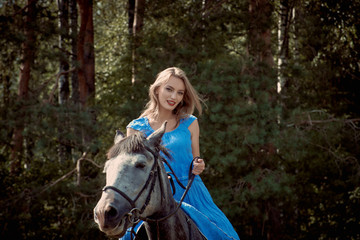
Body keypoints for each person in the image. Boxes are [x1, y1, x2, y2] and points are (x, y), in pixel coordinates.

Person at [122, 67, 240, 240]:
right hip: (153, 198)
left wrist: (199, 165)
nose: (173, 97)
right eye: (169, 89)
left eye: (179, 92)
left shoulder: (190, 123)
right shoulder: (135, 128)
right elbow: (131, 172)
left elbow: (196, 159)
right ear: (157, 89)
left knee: (225, 235)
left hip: (191, 192)